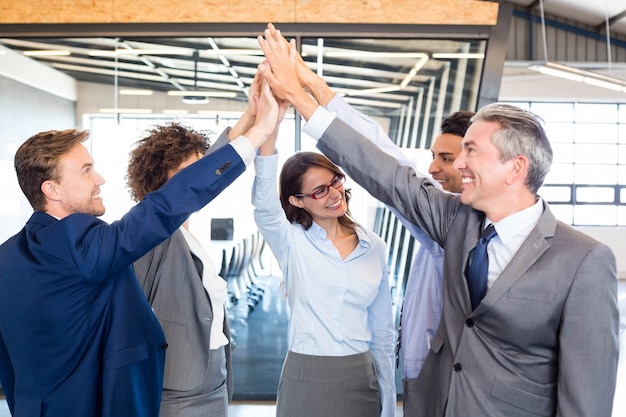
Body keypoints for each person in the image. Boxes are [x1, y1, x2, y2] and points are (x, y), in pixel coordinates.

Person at [257, 23, 619, 417]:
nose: (456, 164)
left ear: (515, 169)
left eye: (470, 152)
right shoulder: (455, 222)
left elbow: (586, 399)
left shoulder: (584, 261)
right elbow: (384, 165)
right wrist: (304, 91)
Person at [0, 79, 278, 417]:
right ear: (52, 189)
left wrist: (249, 118)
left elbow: (10, 363)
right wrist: (260, 129)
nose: (100, 178)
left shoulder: (9, 256)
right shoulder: (81, 242)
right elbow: (164, 206)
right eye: (87, 171)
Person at [285, 44, 473, 413]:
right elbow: (383, 152)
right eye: (432, 156)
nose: (432, 168)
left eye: (446, 159)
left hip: (448, 378)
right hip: (419, 372)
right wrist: (310, 82)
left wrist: (301, 91)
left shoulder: (451, 223)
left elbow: (383, 160)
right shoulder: (446, 219)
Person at [127, 74, 265, 417]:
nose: (202, 182)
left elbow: (214, 163)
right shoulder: (150, 230)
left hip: (213, 377)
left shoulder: (184, 232)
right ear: (165, 182)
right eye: (191, 174)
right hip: (179, 388)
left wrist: (251, 113)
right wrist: (261, 126)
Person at [252, 100, 396, 417]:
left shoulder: (373, 246)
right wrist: (271, 125)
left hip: (363, 376)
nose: (334, 194)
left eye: (335, 181)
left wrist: (388, 394)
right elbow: (263, 206)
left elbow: (383, 331)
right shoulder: (291, 241)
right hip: (307, 377)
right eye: (319, 191)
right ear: (296, 201)